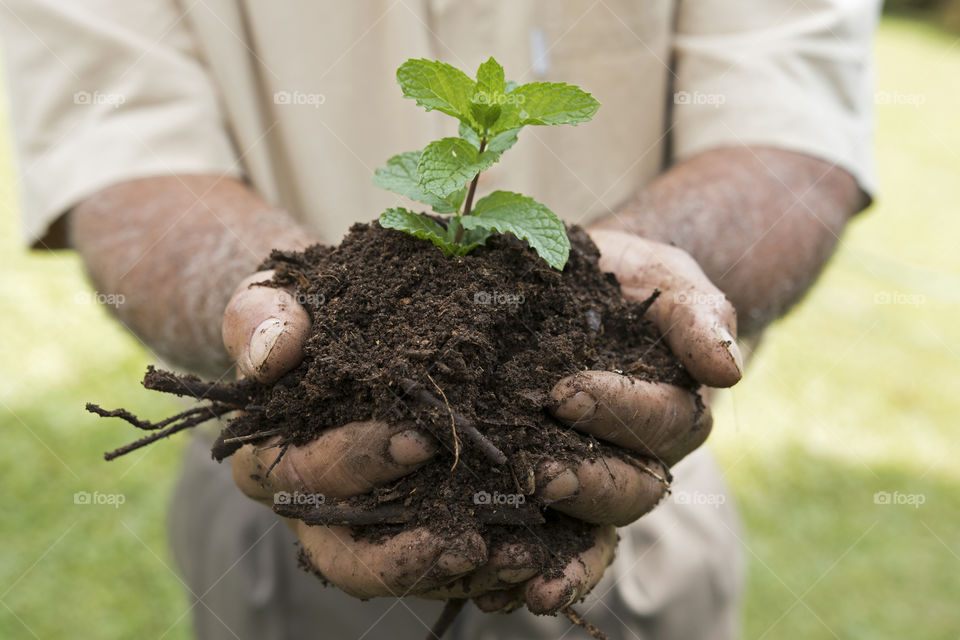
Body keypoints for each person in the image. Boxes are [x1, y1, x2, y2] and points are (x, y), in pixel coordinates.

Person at [0, 1, 878, 638]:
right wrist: (277, 315)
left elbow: (790, 125)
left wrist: (635, 307)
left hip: (638, 488)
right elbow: (124, 150)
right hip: (281, 501)